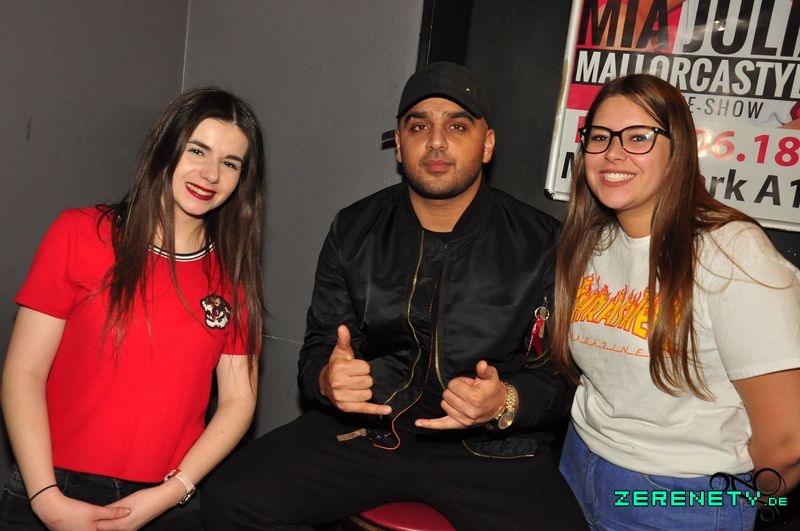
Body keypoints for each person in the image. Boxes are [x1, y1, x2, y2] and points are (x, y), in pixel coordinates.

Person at [202, 62, 586, 530]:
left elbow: (561, 378)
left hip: (489, 450)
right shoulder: (355, 228)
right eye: (419, 126)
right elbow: (319, 348)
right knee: (229, 499)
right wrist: (327, 379)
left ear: (487, 144)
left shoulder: (542, 241)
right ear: (400, 145)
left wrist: (505, 400)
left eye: (457, 126)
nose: (436, 142)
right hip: (370, 430)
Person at [0, 87, 266, 530]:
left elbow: (239, 401)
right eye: (197, 150)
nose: (210, 174)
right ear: (167, 147)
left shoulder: (234, 277)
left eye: (230, 163)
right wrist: (46, 497)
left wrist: (172, 493)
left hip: (168, 502)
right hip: (54, 489)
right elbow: (23, 373)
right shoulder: (79, 233)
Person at [552, 73, 800, 530]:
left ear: (678, 150)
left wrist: (728, 506)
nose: (613, 152)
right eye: (600, 136)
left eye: (638, 137)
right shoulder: (592, 241)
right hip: (577, 464)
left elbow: (786, 444)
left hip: (679, 498)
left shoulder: (732, 253)